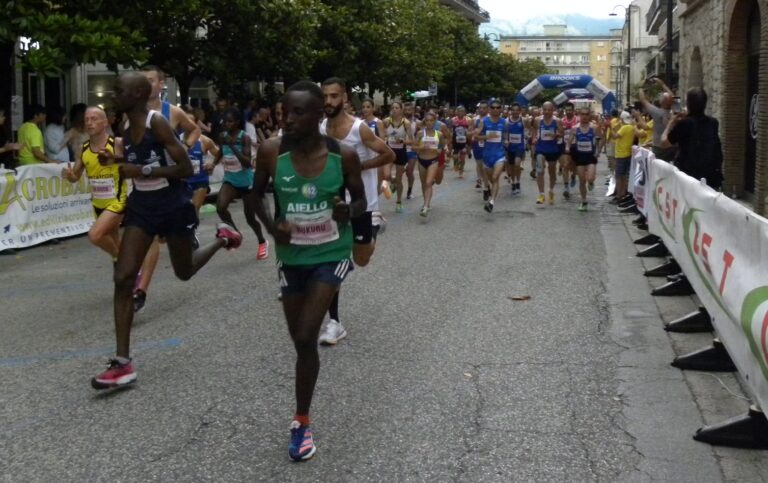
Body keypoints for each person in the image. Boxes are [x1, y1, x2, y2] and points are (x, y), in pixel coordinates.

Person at [90, 73, 241, 390]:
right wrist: (116, 157)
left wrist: (140, 170)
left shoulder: (157, 122)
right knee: (122, 277)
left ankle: (220, 239)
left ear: (139, 94)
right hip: (142, 207)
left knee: (184, 271)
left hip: (173, 206)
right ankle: (122, 363)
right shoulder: (124, 127)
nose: (114, 94)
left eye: (120, 90)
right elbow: (137, 158)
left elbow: (185, 169)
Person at [251, 80, 366, 461]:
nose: (290, 119)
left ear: (319, 116)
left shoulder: (344, 155)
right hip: (293, 256)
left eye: (300, 112)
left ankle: (301, 421)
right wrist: (272, 227)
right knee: (300, 342)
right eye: (286, 112)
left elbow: (360, 200)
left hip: (332, 251)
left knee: (306, 332)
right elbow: (255, 199)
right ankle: (303, 414)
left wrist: (348, 211)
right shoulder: (271, 152)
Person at [318, 77, 394, 345]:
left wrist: (359, 167)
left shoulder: (359, 129)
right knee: (332, 263)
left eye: (334, 96)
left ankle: (374, 227)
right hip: (333, 205)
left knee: (361, 259)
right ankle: (334, 322)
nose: (329, 102)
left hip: (363, 204)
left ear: (344, 97)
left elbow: (388, 155)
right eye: (325, 97)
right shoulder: (320, 129)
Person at [133, 65, 203, 313]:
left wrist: (184, 144)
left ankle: (200, 234)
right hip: (144, 189)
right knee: (150, 237)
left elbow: (194, 129)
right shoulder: (133, 113)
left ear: (162, 84)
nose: (147, 84)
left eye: (151, 80)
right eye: (143, 80)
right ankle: (140, 291)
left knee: (182, 267)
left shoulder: (171, 112)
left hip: (172, 186)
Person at [61, 107, 128, 259]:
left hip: (118, 200)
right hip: (98, 203)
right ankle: (127, 271)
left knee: (95, 235)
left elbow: (136, 160)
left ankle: (124, 262)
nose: (90, 123)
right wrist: (69, 175)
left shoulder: (117, 143)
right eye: (86, 120)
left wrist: (116, 159)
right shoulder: (83, 149)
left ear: (105, 123)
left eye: (94, 119)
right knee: (114, 240)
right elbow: (75, 177)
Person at [213, 107, 270, 260]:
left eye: (230, 121)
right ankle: (235, 233)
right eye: (225, 121)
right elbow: (220, 150)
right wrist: (213, 163)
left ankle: (262, 242)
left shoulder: (244, 137)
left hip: (247, 182)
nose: (226, 124)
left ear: (237, 122)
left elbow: (246, 163)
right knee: (220, 207)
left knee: (250, 218)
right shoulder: (223, 135)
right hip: (230, 179)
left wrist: (232, 145)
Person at [661, 87, 723, 190]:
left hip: (689, 178)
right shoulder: (713, 122)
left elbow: (664, 143)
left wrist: (671, 122)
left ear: (689, 104)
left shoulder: (684, 123)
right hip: (711, 177)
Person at [475, 100, 508, 213]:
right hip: (487, 155)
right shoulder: (484, 121)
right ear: (490, 109)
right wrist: (487, 136)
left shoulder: (504, 122)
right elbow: (476, 136)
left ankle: (491, 202)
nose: (495, 109)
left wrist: (506, 142)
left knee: (495, 177)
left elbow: (506, 137)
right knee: (491, 179)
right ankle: (489, 190)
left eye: (497, 107)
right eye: (493, 107)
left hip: (499, 155)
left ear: (501, 109)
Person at [383, 101, 413, 213]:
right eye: (393, 107)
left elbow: (412, 141)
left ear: (401, 110)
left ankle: (399, 201)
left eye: (396, 108)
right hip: (389, 150)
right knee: (386, 174)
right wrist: (385, 138)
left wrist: (403, 141)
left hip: (401, 151)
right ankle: (392, 182)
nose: (394, 109)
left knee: (399, 179)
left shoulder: (406, 123)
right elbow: (381, 135)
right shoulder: (386, 121)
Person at [610, 111, 646, 203]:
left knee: (619, 176)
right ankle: (623, 194)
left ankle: (619, 195)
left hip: (621, 154)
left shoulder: (624, 128)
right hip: (628, 153)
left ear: (622, 119)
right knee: (625, 176)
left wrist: (610, 128)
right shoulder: (631, 127)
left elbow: (614, 136)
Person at [531, 102, 563, 205]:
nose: (547, 112)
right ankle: (541, 194)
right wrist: (534, 138)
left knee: (552, 172)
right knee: (540, 170)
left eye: (549, 110)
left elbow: (561, 133)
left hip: (553, 149)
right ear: (542, 110)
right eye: (545, 109)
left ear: (552, 110)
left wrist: (555, 134)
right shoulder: (537, 120)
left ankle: (551, 190)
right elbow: (534, 131)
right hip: (541, 148)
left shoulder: (557, 121)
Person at [639, 77, 677, 161]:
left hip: (658, 147)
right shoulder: (675, 113)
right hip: (672, 146)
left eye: (661, 97)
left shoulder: (657, 112)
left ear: (662, 102)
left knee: (657, 169)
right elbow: (673, 98)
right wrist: (663, 84)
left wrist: (641, 87)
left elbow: (643, 100)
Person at [413, 111, 442, 217]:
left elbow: (441, 148)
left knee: (429, 182)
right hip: (421, 160)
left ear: (435, 121)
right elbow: (413, 147)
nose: (429, 122)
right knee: (424, 183)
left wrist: (439, 151)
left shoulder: (439, 134)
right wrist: (421, 147)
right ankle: (426, 202)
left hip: (433, 160)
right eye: (427, 120)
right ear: (425, 121)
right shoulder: (420, 133)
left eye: (431, 120)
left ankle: (425, 206)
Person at [570, 108, 599, 211]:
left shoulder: (594, 128)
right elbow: (569, 141)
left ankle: (591, 182)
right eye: (582, 114)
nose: (584, 116)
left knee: (590, 178)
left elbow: (602, 137)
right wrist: (567, 148)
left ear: (589, 116)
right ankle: (584, 201)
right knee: (582, 180)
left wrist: (598, 151)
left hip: (590, 156)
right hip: (580, 156)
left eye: (586, 114)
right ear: (579, 115)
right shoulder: (574, 128)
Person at [505, 103, 526, 195]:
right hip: (510, 147)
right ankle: (513, 182)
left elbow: (528, 130)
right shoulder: (506, 121)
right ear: (511, 111)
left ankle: (518, 181)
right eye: (513, 110)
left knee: (517, 164)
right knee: (512, 166)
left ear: (520, 111)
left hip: (520, 146)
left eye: (517, 110)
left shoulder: (523, 120)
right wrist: (505, 140)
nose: (515, 112)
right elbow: (505, 133)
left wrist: (527, 138)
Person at [560, 103, 579, 200]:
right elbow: (559, 132)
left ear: (573, 110)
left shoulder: (578, 120)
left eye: (570, 110)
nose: (568, 112)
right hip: (565, 146)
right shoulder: (562, 120)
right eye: (566, 110)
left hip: (576, 146)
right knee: (565, 165)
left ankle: (574, 175)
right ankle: (566, 187)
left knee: (574, 165)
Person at [451, 105, 471, 178]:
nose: (460, 112)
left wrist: (469, 144)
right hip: (455, 142)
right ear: (456, 112)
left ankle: (461, 171)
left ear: (465, 112)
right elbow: (450, 130)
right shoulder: (453, 120)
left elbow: (470, 130)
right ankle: (456, 163)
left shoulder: (468, 120)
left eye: (462, 111)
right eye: (459, 111)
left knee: (462, 158)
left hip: (464, 142)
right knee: (455, 156)